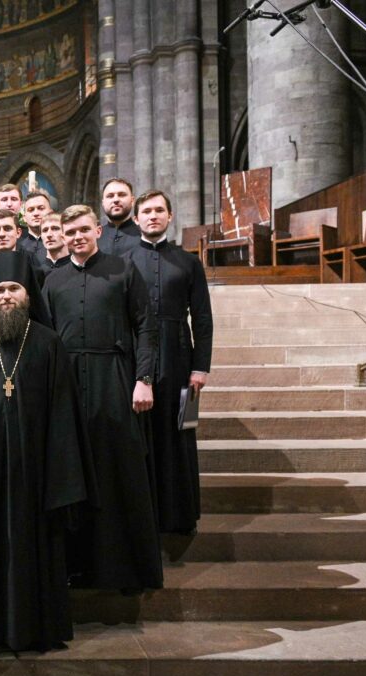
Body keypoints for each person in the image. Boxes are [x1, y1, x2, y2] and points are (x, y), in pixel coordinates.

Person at [0, 251, 92, 652]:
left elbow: (65, 411)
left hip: (36, 473)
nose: (6, 296)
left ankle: (37, 628)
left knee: (38, 548)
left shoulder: (48, 344)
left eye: (14, 289)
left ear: (27, 295)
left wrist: (60, 470)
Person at [42, 204, 162, 594]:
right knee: (72, 472)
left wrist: (143, 378)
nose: (76, 237)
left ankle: (121, 569)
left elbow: (146, 326)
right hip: (65, 384)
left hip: (114, 377)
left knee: (116, 471)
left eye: (82, 230)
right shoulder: (52, 280)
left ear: (97, 230)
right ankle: (74, 566)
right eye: (69, 231)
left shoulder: (123, 270)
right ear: (61, 234)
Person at [126, 190, 213, 535]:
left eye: (159, 210)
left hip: (181, 358)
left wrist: (201, 368)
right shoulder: (125, 259)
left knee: (183, 431)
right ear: (136, 219)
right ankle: (147, 517)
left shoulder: (189, 261)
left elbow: (203, 319)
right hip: (139, 358)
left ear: (170, 216)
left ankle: (181, 515)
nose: (152, 216)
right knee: (144, 435)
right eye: (145, 211)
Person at [99, 178, 142, 257]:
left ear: (132, 201)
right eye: (110, 196)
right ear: (103, 203)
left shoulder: (144, 235)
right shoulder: (94, 237)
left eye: (122, 195)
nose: (116, 200)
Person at [17, 191, 51, 266]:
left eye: (41, 208)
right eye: (31, 210)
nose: (36, 213)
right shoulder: (17, 248)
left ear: (51, 213)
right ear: (24, 218)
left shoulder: (63, 244)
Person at [40, 211, 71, 279]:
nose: (49, 235)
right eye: (45, 230)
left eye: (55, 229)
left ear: (66, 233)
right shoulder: (36, 271)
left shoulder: (79, 269)